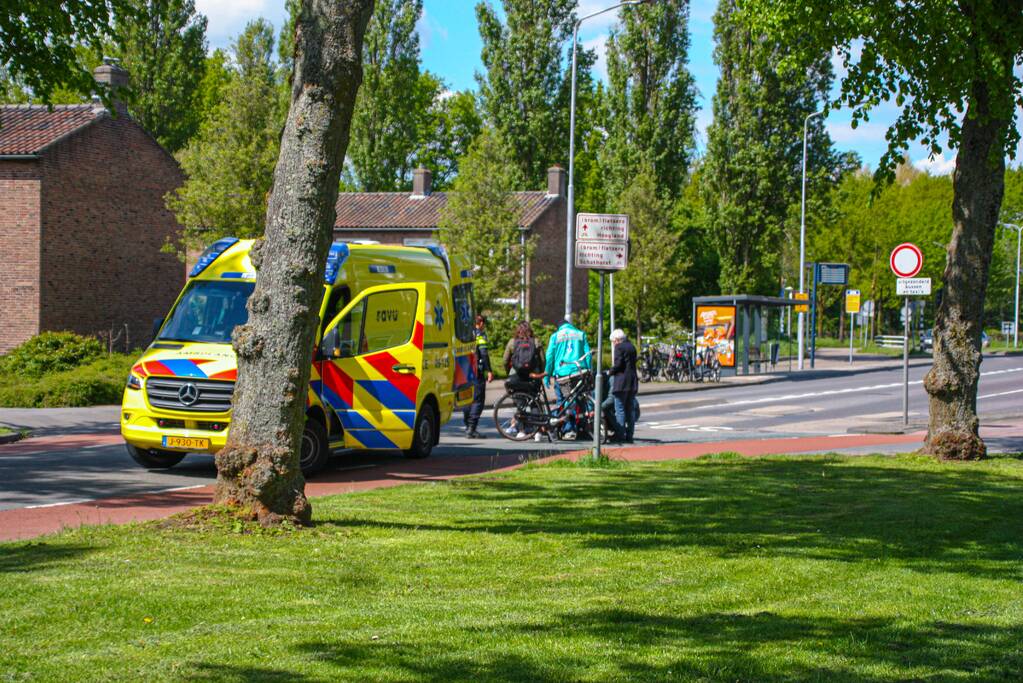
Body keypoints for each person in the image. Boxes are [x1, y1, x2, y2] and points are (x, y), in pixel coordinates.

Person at [544, 316, 591, 440]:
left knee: (563, 402)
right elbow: (588, 355)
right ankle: (582, 428)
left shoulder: (555, 336)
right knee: (579, 400)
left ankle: (568, 429)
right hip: (579, 372)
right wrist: (589, 370)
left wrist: (547, 375)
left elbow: (549, 357)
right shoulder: (581, 334)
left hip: (563, 374)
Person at [463, 314, 493, 438]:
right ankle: (471, 428)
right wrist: (489, 370)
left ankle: (467, 425)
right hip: (476, 371)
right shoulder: (480, 335)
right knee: (478, 399)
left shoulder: (464, 334)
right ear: (480, 323)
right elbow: (484, 354)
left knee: (466, 397)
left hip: (464, 370)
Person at [608, 328, 638, 443]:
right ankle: (630, 436)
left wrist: (609, 372)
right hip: (632, 381)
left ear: (616, 340)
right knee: (630, 410)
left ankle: (620, 435)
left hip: (621, 382)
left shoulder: (619, 347)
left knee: (619, 409)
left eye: (613, 341)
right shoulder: (632, 346)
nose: (613, 344)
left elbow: (618, 365)